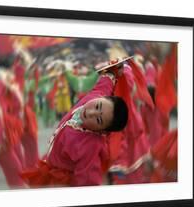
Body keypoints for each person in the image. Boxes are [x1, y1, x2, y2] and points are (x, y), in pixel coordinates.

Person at [21, 58, 129, 187]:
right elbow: (105, 84)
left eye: (98, 120)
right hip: (51, 162)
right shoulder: (96, 95)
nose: (91, 113)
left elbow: (88, 181)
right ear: (101, 98)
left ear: (103, 131)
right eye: (97, 106)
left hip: (60, 181)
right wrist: (112, 71)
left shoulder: (90, 147)